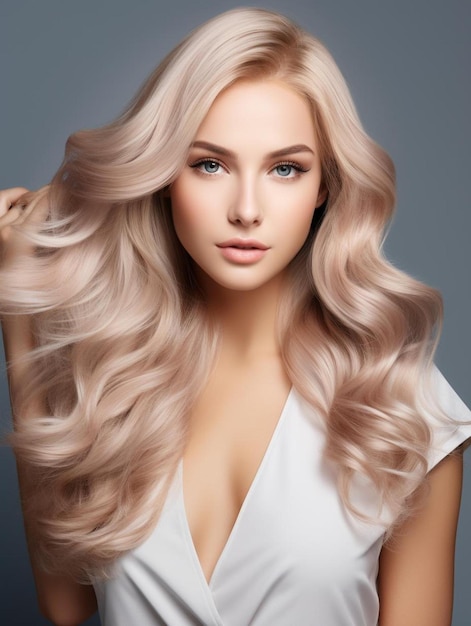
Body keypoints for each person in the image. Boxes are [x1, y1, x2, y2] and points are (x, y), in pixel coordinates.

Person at [1, 7, 470, 626]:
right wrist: (17, 312)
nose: (246, 209)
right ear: (166, 174)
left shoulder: (402, 407)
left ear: (324, 186)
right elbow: (65, 607)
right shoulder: (114, 383)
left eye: (285, 169)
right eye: (210, 164)